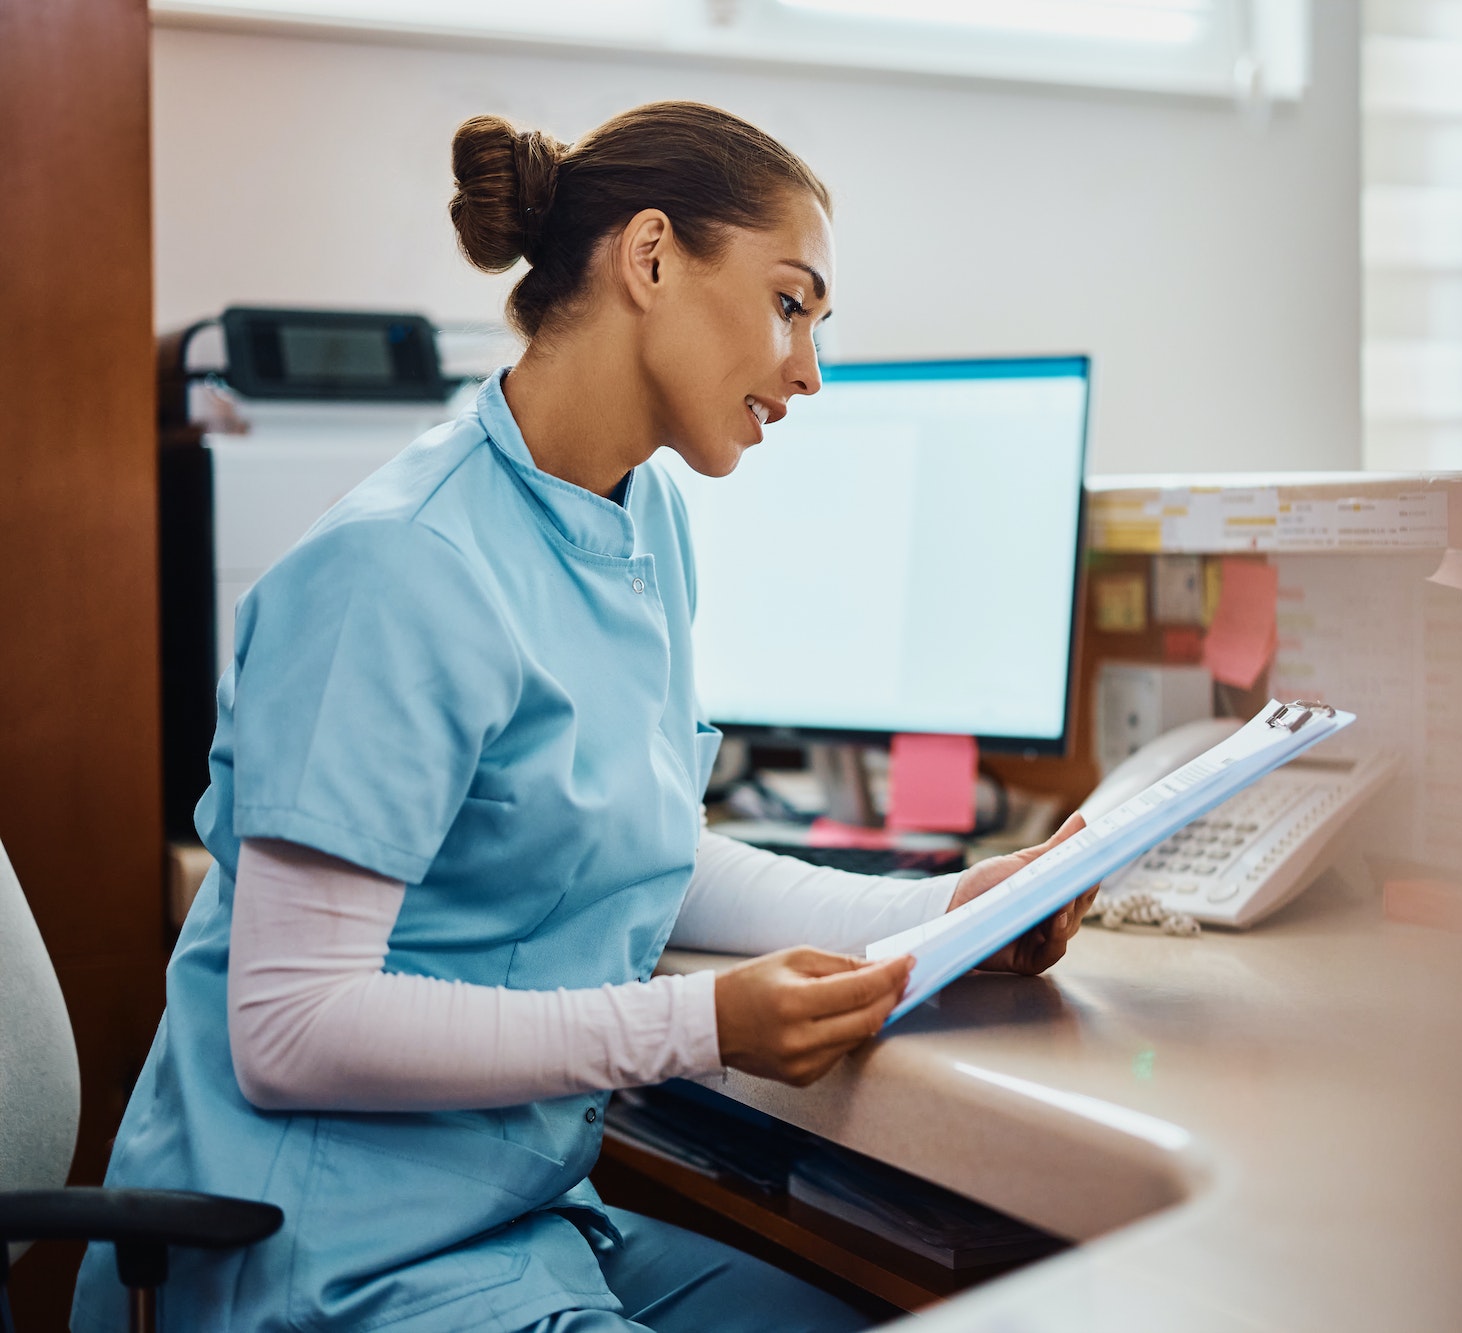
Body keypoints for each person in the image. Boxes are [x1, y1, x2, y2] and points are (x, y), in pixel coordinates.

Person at [73, 102, 1095, 1333]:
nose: (809, 370)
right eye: (789, 304)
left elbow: (637, 843)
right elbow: (294, 1028)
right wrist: (694, 1025)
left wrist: (939, 912)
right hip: (320, 1252)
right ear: (650, 258)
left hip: (509, 1221)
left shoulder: (638, 524)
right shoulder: (397, 567)